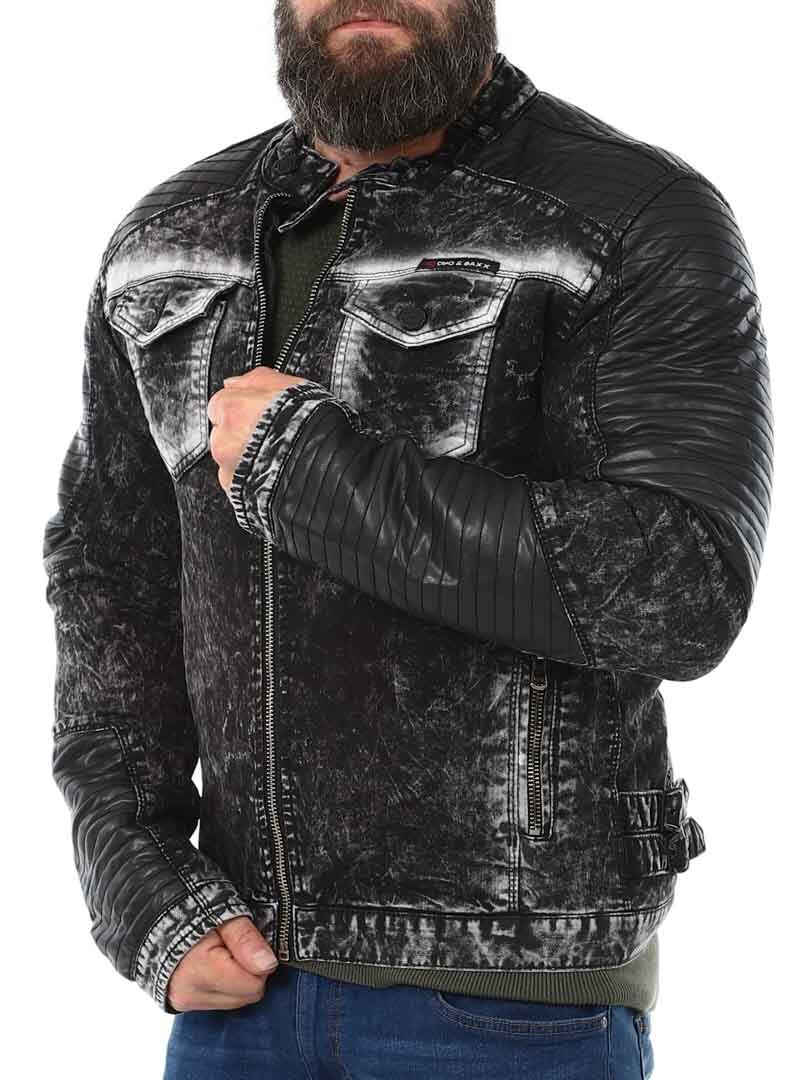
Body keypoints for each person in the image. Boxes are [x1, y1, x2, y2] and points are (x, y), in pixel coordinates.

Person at [41, 1, 773, 1077]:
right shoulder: (167, 241)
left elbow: (681, 587)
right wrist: (133, 872)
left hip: (510, 1004)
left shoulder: (628, 215)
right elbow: (112, 577)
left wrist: (314, 474)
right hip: (236, 992)